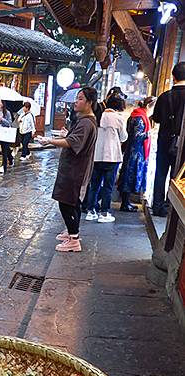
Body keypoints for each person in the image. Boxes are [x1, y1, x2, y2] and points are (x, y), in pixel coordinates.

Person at [39, 87, 98, 252]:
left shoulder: (86, 122)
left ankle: (74, 238)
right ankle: (72, 232)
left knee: (66, 202)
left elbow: (71, 143)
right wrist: (67, 133)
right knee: (72, 202)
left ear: (89, 103)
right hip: (74, 169)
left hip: (75, 171)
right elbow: (73, 138)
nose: (76, 102)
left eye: (80, 99)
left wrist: (49, 140)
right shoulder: (85, 120)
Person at [86, 94, 128, 223]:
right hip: (112, 156)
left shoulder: (98, 116)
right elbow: (124, 137)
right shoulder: (118, 118)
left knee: (94, 185)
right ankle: (104, 213)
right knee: (108, 187)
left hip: (97, 156)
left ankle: (90, 211)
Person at [152, 61, 185, 216]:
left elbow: (156, 118)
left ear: (173, 77)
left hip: (164, 140)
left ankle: (158, 207)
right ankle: (171, 207)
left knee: (160, 173)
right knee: (177, 176)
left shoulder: (164, 97)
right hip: (182, 145)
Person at [118, 96, 156, 212]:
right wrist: (149, 134)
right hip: (136, 152)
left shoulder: (135, 115)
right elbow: (137, 136)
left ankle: (126, 202)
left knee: (128, 176)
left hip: (132, 151)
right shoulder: (140, 118)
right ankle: (125, 204)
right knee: (130, 176)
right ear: (149, 106)